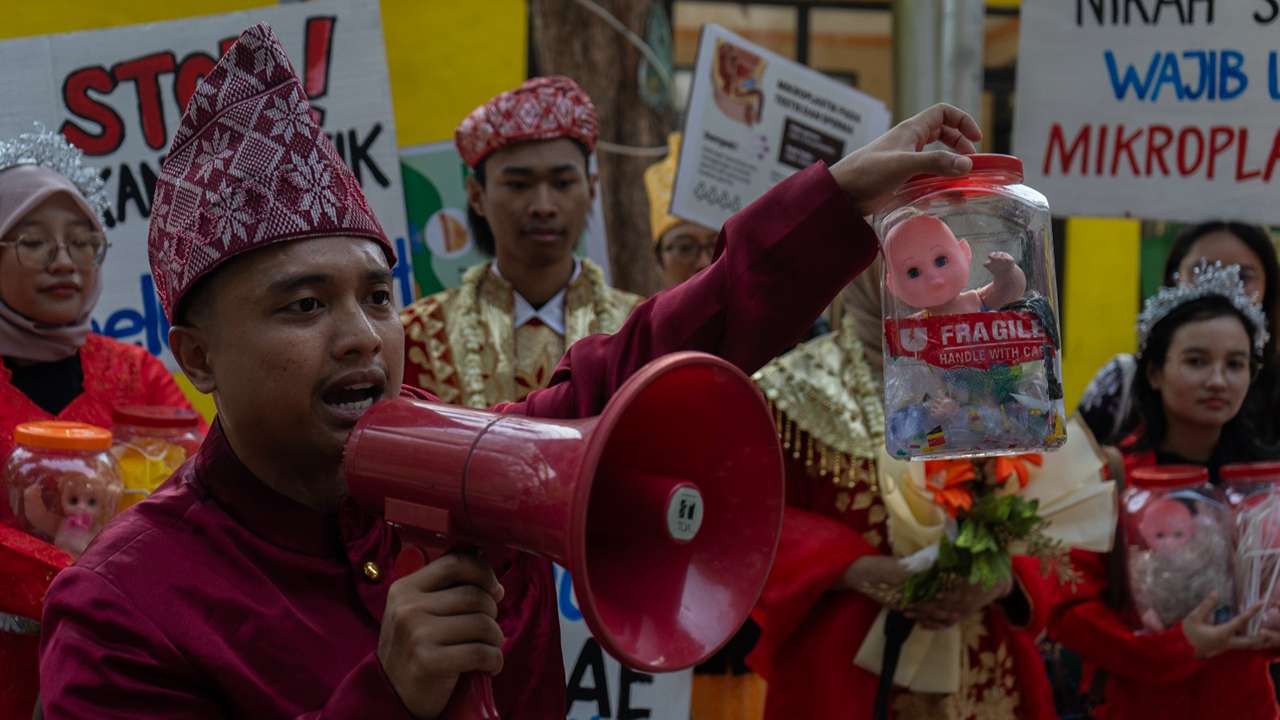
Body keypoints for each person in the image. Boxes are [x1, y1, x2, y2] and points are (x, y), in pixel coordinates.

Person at [37, 22, 985, 719]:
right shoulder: (124, 607)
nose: (365, 336)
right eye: (302, 305)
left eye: (375, 295)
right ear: (196, 355)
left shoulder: (470, 469)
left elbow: (653, 357)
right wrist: (389, 699)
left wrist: (837, 202)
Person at [748, 294, 1056, 719]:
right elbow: (746, 525)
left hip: (984, 660)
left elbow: (1054, 509)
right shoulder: (789, 388)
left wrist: (1004, 576)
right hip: (846, 666)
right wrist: (851, 567)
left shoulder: (996, 373)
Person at [0, 126, 197, 720]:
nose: (66, 261)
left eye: (85, 242)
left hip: (134, 661)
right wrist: (92, 579)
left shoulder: (136, 374)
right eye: (33, 242)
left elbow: (203, 489)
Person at [1050, 262, 1278, 719]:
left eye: (1235, 364)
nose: (1218, 380)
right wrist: (1174, 648)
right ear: (1153, 372)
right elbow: (1067, 610)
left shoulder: (1267, 480)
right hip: (1140, 704)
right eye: (1196, 361)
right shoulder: (1110, 475)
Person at [400, 76, 641, 408]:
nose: (543, 205)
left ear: (591, 189)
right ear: (477, 195)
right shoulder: (417, 336)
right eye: (518, 184)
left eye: (563, 182)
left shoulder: (637, 329)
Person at [1078, 221, 1279, 449]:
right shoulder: (1121, 382)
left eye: (1243, 276)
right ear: (1155, 371)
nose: (1223, 288)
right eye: (1202, 270)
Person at [644, 132, 719, 289]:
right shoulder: (639, 313)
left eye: (716, 246)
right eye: (685, 248)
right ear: (659, 260)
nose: (705, 263)